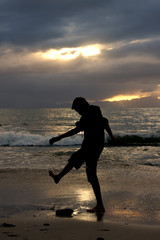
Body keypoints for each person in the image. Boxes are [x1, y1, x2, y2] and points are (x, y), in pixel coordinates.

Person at [49, 97, 117, 213]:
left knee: (85, 169)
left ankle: (100, 206)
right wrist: (112, 137)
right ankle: (59, 177)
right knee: (87, 172)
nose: (77, 112)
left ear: (81, 106)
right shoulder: (94, 111)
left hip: (92, 147)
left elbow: (75, 130)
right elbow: (104, 121)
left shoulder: (87, 115)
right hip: (96, 146)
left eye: (76, 109)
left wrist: (58, 137)